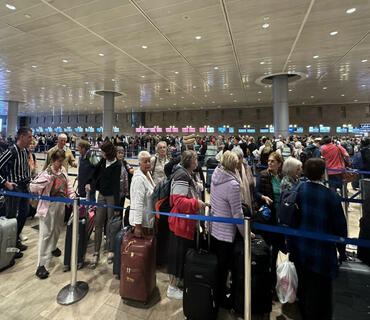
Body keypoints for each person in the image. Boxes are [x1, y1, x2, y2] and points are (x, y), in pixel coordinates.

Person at [289, 158, 347, 319]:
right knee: (322, 294)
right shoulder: (331, 196)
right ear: (323, 173)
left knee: (304, 287)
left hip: (302, 249)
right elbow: (340, 227)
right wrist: (342, 252)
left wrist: (291, 247)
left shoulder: (299, 190)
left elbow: (293, 221)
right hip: (323, 252)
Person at [30, 150, 75, 279]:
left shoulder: (63, 171)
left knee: (57, 230)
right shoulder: (46, 173)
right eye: (59, 161)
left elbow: (68, 186)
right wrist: (45, 181)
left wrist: (72, 196)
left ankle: (53, 247)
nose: (61, 164)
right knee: (46, 234)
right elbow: (33, 187)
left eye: (62, 161)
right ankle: (41, 264)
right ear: (53, 160)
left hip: (61, 205)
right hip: (48, 207)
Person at [167, 150, 206, 299]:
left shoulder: (185, 173)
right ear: (190, 161)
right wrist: (197, 203)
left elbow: (190, 188)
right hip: (180, 223)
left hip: (185, 223)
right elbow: (179, 201)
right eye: (195, 160)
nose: (197, 163)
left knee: (181, 254)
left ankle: (178, 282)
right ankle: (172, 287)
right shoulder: (181, 175)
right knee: (177, 256)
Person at [209, 151, 245, 307]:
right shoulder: (233, 185)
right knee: (223, 268)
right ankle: (221, 300)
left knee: (217, 267)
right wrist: (246, 233)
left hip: (214, 228)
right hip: (225, 233)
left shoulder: (216, 175)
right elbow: (237, 213)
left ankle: (215, 294)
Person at [86, 141, 121, 268]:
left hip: (112, 196)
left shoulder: (117, 164)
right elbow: (94, 174)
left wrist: (117, 205)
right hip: (101, 195)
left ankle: (111, 250)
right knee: (98, 222)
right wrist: (89, 182)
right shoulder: (102, 161)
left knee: (110, 224)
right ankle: (96, 252)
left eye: (103, 151)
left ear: (107, 152)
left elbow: (117, 186)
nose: (101, 153)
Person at [0, 127, 33, 256]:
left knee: (24, 213)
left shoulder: (25, 151)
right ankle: (8, 248)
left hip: (24, 187)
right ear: (22, 137)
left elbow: (25, 168)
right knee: (11, 217)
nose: (31, 139)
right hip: (14, 188)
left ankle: (15, 240)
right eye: (29, 137)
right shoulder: (11, 151)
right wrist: (5, 183)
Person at [255, 151, 285, 287]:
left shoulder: (283, 177)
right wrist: (263, 197)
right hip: (268, 215)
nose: (269, 163)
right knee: (267, 245)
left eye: (273, 161)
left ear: (279, 163)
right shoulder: (263, 175)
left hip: (280, 215)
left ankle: (273, 274)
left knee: (277, 245)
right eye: (269, 161)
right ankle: (265, 275)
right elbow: (256, 192)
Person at [129, 151, 156, 237]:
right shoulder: (139, 180)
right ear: (139, 163)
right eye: (145, 162)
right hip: (142, 224)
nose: (148, 163)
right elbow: (138, 203)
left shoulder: (147, 173)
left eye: (149, 161)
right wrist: (138, 226)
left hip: (149, 220)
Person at [232, 148, 255, 214]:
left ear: (242, 157)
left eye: (239, 158)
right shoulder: (230, 170)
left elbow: (252, 185)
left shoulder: (248, 168)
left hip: (249, 201)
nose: (237, 160)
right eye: (235, 158)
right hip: (236, 205)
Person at [116, 146, 134, 224]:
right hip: (114, 193)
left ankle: (119, 227)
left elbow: (131, 171)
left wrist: (130, 169)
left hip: (123, 192)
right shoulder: (112, 163)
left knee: (120, 211)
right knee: (113, 212)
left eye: (122, 153)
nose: (120, 155)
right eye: (119, 153)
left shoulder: (125, 163)